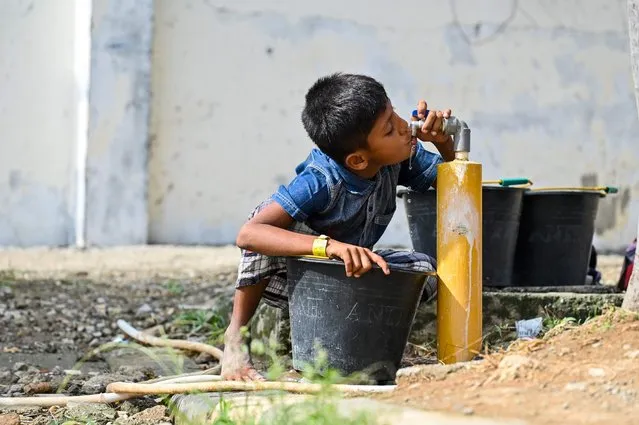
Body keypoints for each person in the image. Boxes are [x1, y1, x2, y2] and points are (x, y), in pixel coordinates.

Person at [221, 73, 456, 381]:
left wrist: (444, 144)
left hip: (350, 274)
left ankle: (367, 353)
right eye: (389, 129)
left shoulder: (399, 156)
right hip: (304, 275)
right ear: (358, 160)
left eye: (394, 113)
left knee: (424, 268)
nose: (403, 127)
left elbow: (457, 188)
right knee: (267, 220)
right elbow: (248, 234)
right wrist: (329, 246)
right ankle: (235, 336)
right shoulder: (320, 180)